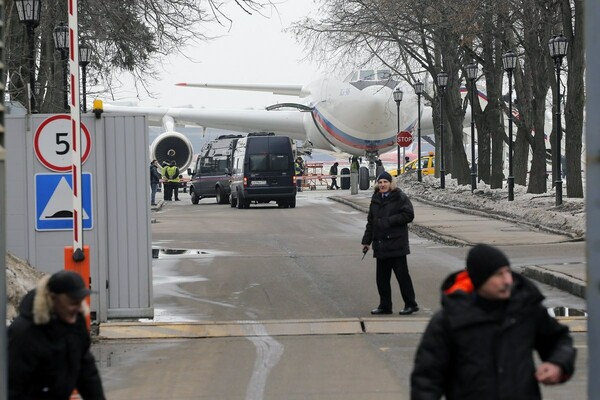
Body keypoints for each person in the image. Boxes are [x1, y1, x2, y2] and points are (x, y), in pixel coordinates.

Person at [411, 243, 576, 400]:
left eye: (507, 272)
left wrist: (558, 363)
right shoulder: (449, 320)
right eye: (498, 274)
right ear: (479, 280)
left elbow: (559, 339)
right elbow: (426, 381)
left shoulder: (525, 309)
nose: (507, 281)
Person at [8, 270, 106, 399]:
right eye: (72, 301)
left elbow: (86, 370)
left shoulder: (76, 323)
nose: (79, 307)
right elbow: (13, 389)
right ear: (52, 298)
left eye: (80, 300)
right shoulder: (23, 332)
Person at [361, 171, 418, 315]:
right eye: (380, 182)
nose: (382, 185)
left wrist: (389, 221)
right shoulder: (375, 199)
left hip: (396, 244)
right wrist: (366, 241)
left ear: (390, 183)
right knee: (382, 279)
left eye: (385, 182)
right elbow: (371, 222)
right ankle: (385, 306)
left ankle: (411, 304)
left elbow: (408, 215)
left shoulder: (399, 197)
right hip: (380, 245)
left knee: (402, 276)